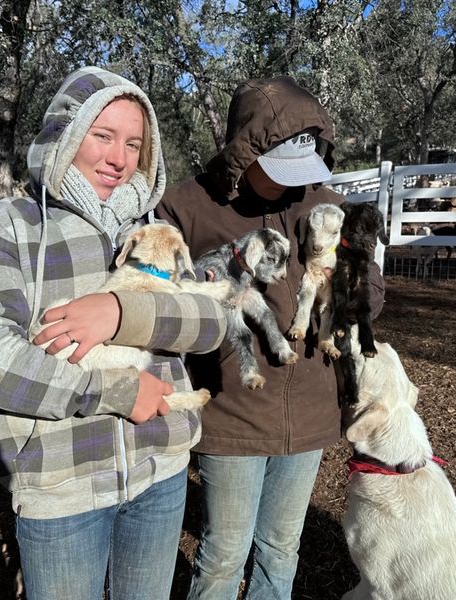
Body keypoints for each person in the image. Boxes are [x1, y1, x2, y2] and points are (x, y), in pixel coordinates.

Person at [0, 66, 227, 600]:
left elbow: (213, 322)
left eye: (134, 143)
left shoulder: (151, 226)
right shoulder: (10, 226)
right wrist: (111, 391)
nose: (119, 158)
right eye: (102, 135)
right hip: (60, 484)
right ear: (65, 135)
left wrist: (121, 313)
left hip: (160, 469)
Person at [156, 76, 386, 599]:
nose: (291, 185)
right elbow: (166, 304)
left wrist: (354, 290)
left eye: (302, 170)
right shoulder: (186, 207)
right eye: (278, 169)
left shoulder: (325, 202)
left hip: (309, 411)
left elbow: (371, 287)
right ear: (244, 151)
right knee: (223, 553)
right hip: (231, 409)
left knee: (282, 549)